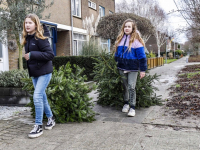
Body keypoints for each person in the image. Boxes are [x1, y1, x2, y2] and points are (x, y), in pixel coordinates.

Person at [22, 14, 55, 138]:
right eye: (26, 23)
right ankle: (51, 119)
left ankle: (38, 126)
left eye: (30, 23)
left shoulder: (40, 38)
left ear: (36, 24)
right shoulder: (27, 38)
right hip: (35, 73)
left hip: (45, 72)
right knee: (42, 97)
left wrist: (32, 55)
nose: (27, 25)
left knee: (37, 97)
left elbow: (50, 55)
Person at [114, 19, 147, 117]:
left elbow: (142, 56)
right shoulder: (119, 39)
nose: (127, 28)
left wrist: (143, 70)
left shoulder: (136, 41)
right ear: (123, 28)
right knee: (125, 87)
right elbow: (117, 53)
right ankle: (126, 104)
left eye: (129, 26)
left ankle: (132, 107)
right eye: (125, 26)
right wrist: (117, 62)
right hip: (121, 68)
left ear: (132, 28)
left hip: (132, 68)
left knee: (131, 87)